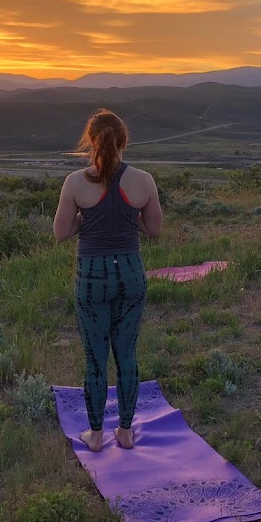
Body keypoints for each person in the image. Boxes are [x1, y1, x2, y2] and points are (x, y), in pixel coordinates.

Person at [54, 109, 162, 451]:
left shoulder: (75, 182)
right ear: (123, 142)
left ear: (91, 141)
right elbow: (154, 228)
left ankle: (97, 435)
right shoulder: (143, 180)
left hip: (92, 278)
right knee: (126, 354)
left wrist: (87, 222)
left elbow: (61, 232)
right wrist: (132, 222)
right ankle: (126, 432)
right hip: (130, 273)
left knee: (95, 357)